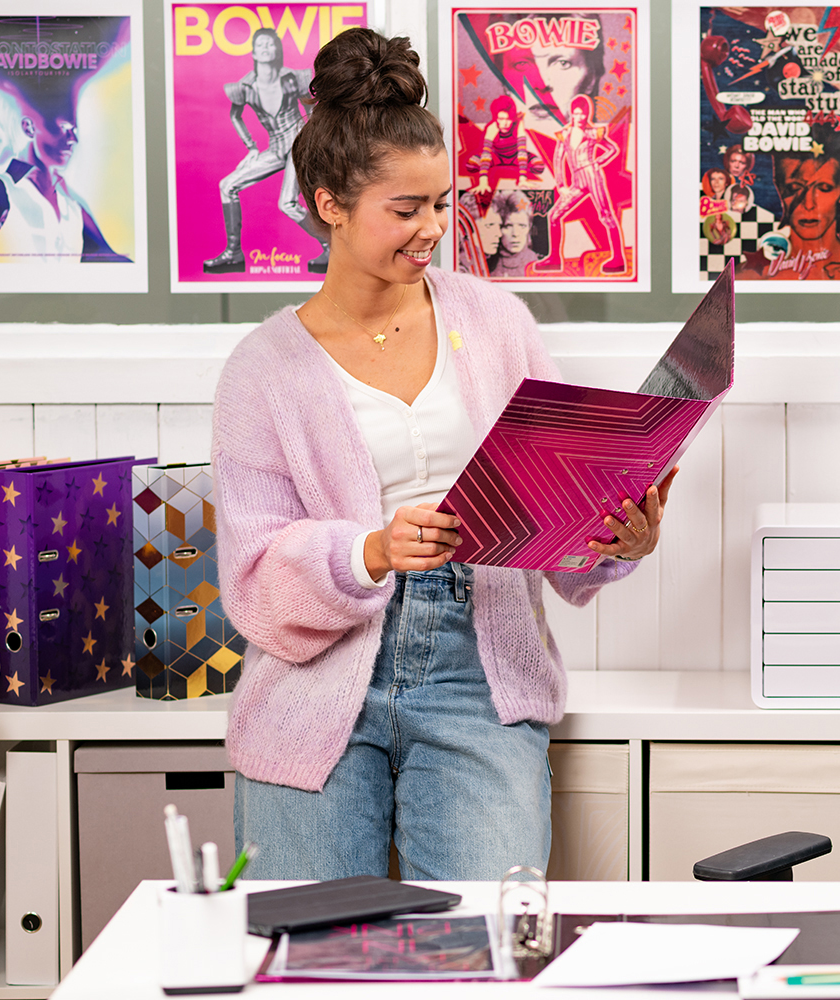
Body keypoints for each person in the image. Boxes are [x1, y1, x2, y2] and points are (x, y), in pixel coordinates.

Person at [212, 28, 674, 881]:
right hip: (316, 684)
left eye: (439, 202)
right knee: (308, 944)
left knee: (489, 937)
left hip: (480, 670)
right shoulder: (262, 370)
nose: (432, 229)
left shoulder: (497, 324)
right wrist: (370, 551)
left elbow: (552, 511)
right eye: (406, 209)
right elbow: (252, 586)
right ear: (328, 204)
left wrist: (614, 538)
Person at [203, 28, 329, 275]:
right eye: (260, 45)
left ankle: (330, 244)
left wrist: (312, 138)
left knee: (287, 203)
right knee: (226, 185)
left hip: (297, 143)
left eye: (270, 44)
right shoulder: (245, 86)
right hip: (275, 148)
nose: (265, 49)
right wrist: (251, 147)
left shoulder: (292, 78)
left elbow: (312, 108)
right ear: (253, 52)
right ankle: (233, 253)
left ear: (277, 50)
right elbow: (235, 116)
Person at [0, 93, 126, 263]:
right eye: (64, 128)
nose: (73, 139)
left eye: (74, 130)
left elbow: (112, 261)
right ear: (29, 128)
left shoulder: (74, 211)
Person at [739, 125, 840, 281]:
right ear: (779, 187)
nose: (808, 204)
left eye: (824, 188)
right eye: (794, 188)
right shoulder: (748, 276)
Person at [536, 93, 626, 274]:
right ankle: (554, 258)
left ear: (587, 114)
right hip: (577, 181)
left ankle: (618, 258)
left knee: (606, 215)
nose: (579, 117)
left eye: (582, 114)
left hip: (592, 176)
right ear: (571, 114)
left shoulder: (592, 133)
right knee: (554, 215)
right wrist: (561, 185)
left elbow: (612, 149)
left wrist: (599, 162)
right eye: (575, 113)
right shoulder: (565, 134)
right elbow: (558, 160)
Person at [465, 95, 543, 194]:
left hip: (515, 156)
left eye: (508, 119)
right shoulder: (492, 128)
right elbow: (486, 153)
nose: (504, 123)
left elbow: (522, 150)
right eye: (501, 119)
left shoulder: (518, 124)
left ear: (513, 118)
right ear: (496, 118)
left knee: (538, 166)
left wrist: (522, 179)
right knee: (471, 165)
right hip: (497, 157)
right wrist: (483, 182)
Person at [490, 189, 539, 277]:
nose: (515, 234)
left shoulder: (538, 263)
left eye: (522, 226)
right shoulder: (487, 263)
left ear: (529, 227)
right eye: (508, 226)